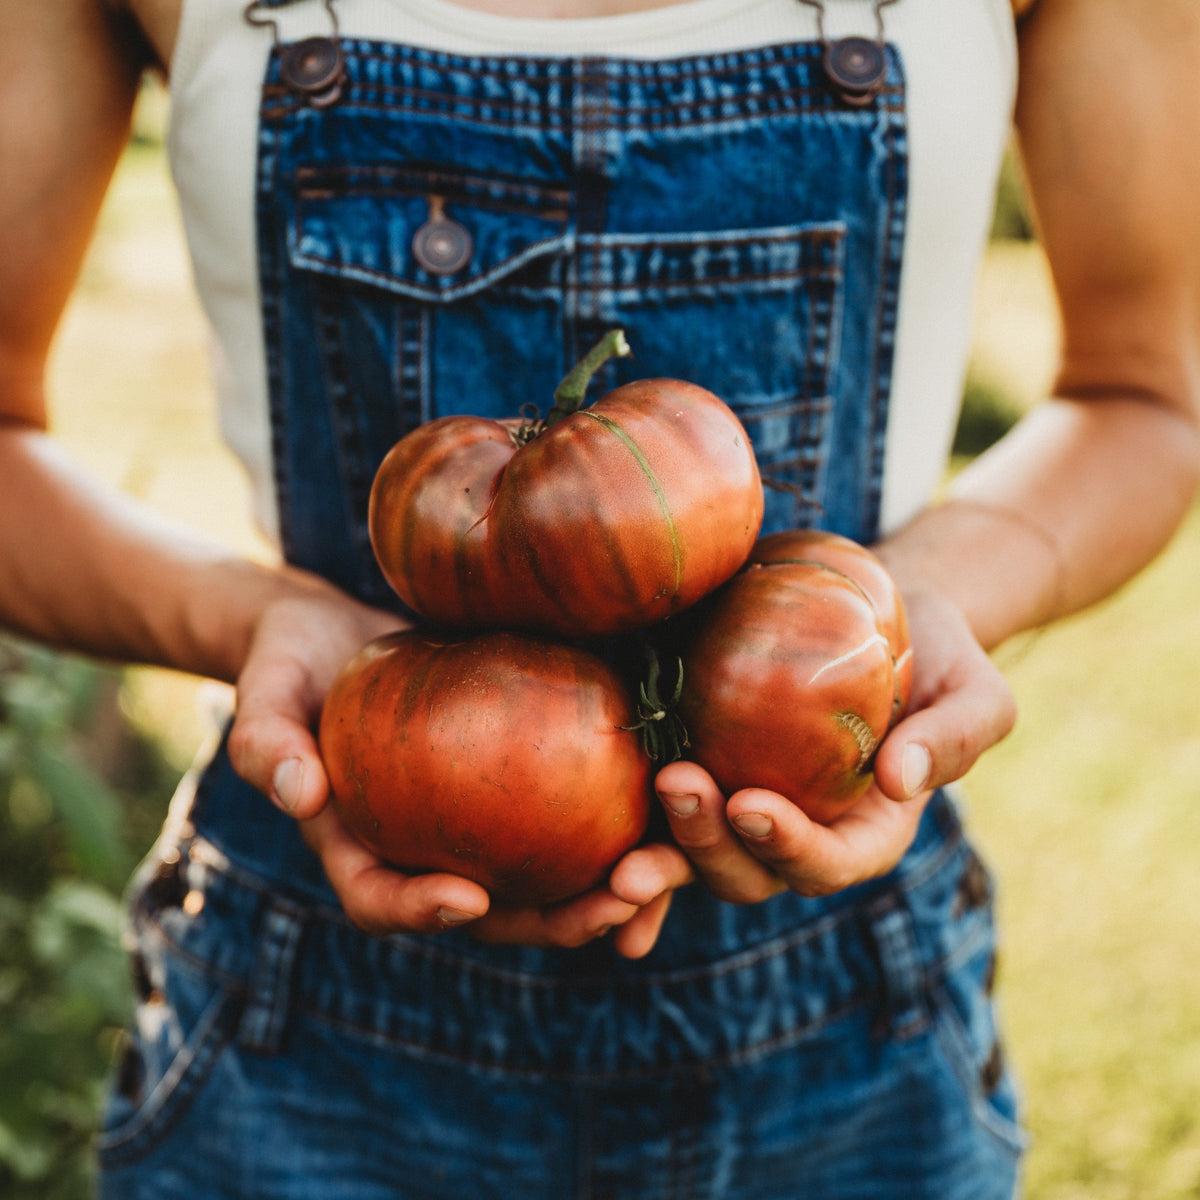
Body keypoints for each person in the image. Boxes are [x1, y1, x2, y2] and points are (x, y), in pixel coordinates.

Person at [4, 0, 1198, 1195]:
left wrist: (913, 596)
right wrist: (248, 621)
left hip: (840, 1024)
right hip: (309, 995)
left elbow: (1146, 390)